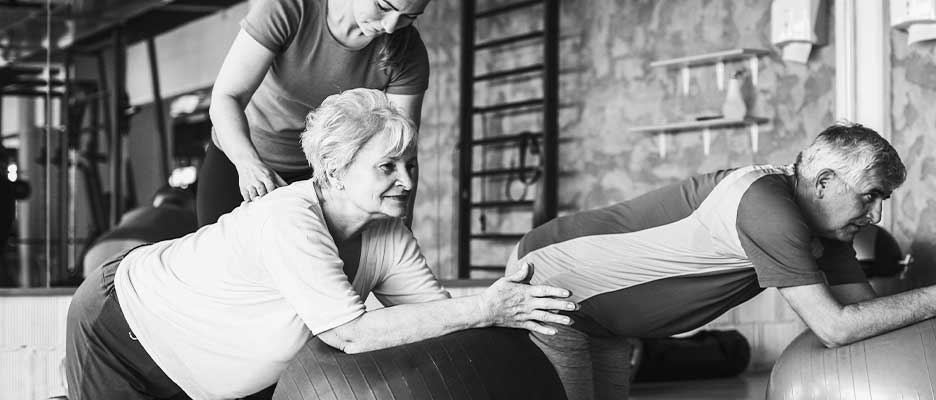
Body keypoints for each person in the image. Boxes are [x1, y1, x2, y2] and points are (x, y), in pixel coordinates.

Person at [65, 89, 576, 400]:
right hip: (122, 326)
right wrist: (485, 306)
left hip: (199, 371)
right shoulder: (289, 219)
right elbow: (349, 334)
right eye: (387, 166)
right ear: (333, 171)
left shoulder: (388, 237)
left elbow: (439, 325)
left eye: (410, 164)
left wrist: (504, 310)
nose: (405, 180)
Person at [506, 123, 936, 400]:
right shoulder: (769, 209)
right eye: (870, 196)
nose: (875, 216)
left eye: (883, 202)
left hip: (606, 320)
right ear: (825, 181)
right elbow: (834, 328)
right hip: (556, 283)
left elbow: (866, 317)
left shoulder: (824, 230)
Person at [198, 0, 432, 226]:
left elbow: (400, 148)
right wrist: (248, 164)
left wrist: (402, 229)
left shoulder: (408, 51)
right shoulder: (287, 8)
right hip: (241, 157)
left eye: (409, 16)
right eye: (383, 6)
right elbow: (226, 97)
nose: (391, 26)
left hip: (322, 175)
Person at [81, 186, 198, 277]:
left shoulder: (135, 213)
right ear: (190, 204)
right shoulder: (189, 217)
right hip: (144, 250)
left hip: (98, 250)